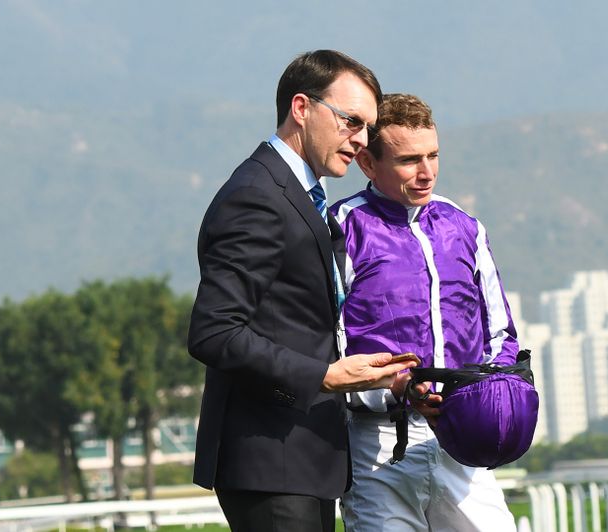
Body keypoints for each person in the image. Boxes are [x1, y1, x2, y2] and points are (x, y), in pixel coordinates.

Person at [188, 50, 417, 532]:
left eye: (368, 130)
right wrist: (324, 376)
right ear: (301, 108)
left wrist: (367, 374)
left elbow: (298, 322)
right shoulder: (258, 194)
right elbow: (214, 331)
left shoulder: (300, 196)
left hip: (306, 457)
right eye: (352, 121)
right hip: (269, 460)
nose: (360, 141)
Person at [331, 93, 519, 531]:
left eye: (433, 155)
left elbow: (501, 334)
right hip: (375, 444)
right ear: (367, 163)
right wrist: (392, 389)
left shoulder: (465, 226)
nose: (427, 172)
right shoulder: (342, 228)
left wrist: (486, 401)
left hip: (461, 437)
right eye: (409, 160)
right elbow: (328, 344)